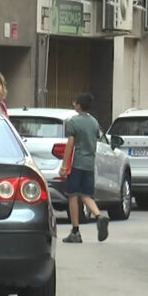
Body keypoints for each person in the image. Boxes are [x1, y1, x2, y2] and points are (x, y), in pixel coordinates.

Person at [58, 92, 109, 244]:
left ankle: (75, 231)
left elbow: (70, 144)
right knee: (86, 195)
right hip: (89, 164)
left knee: (73, 196)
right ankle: (99, 216)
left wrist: (64, 164)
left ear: (79, 105)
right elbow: (97, 140)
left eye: (75, 103)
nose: (74, 105)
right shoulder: (94, 122)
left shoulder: (73, 122)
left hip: (77, 163)